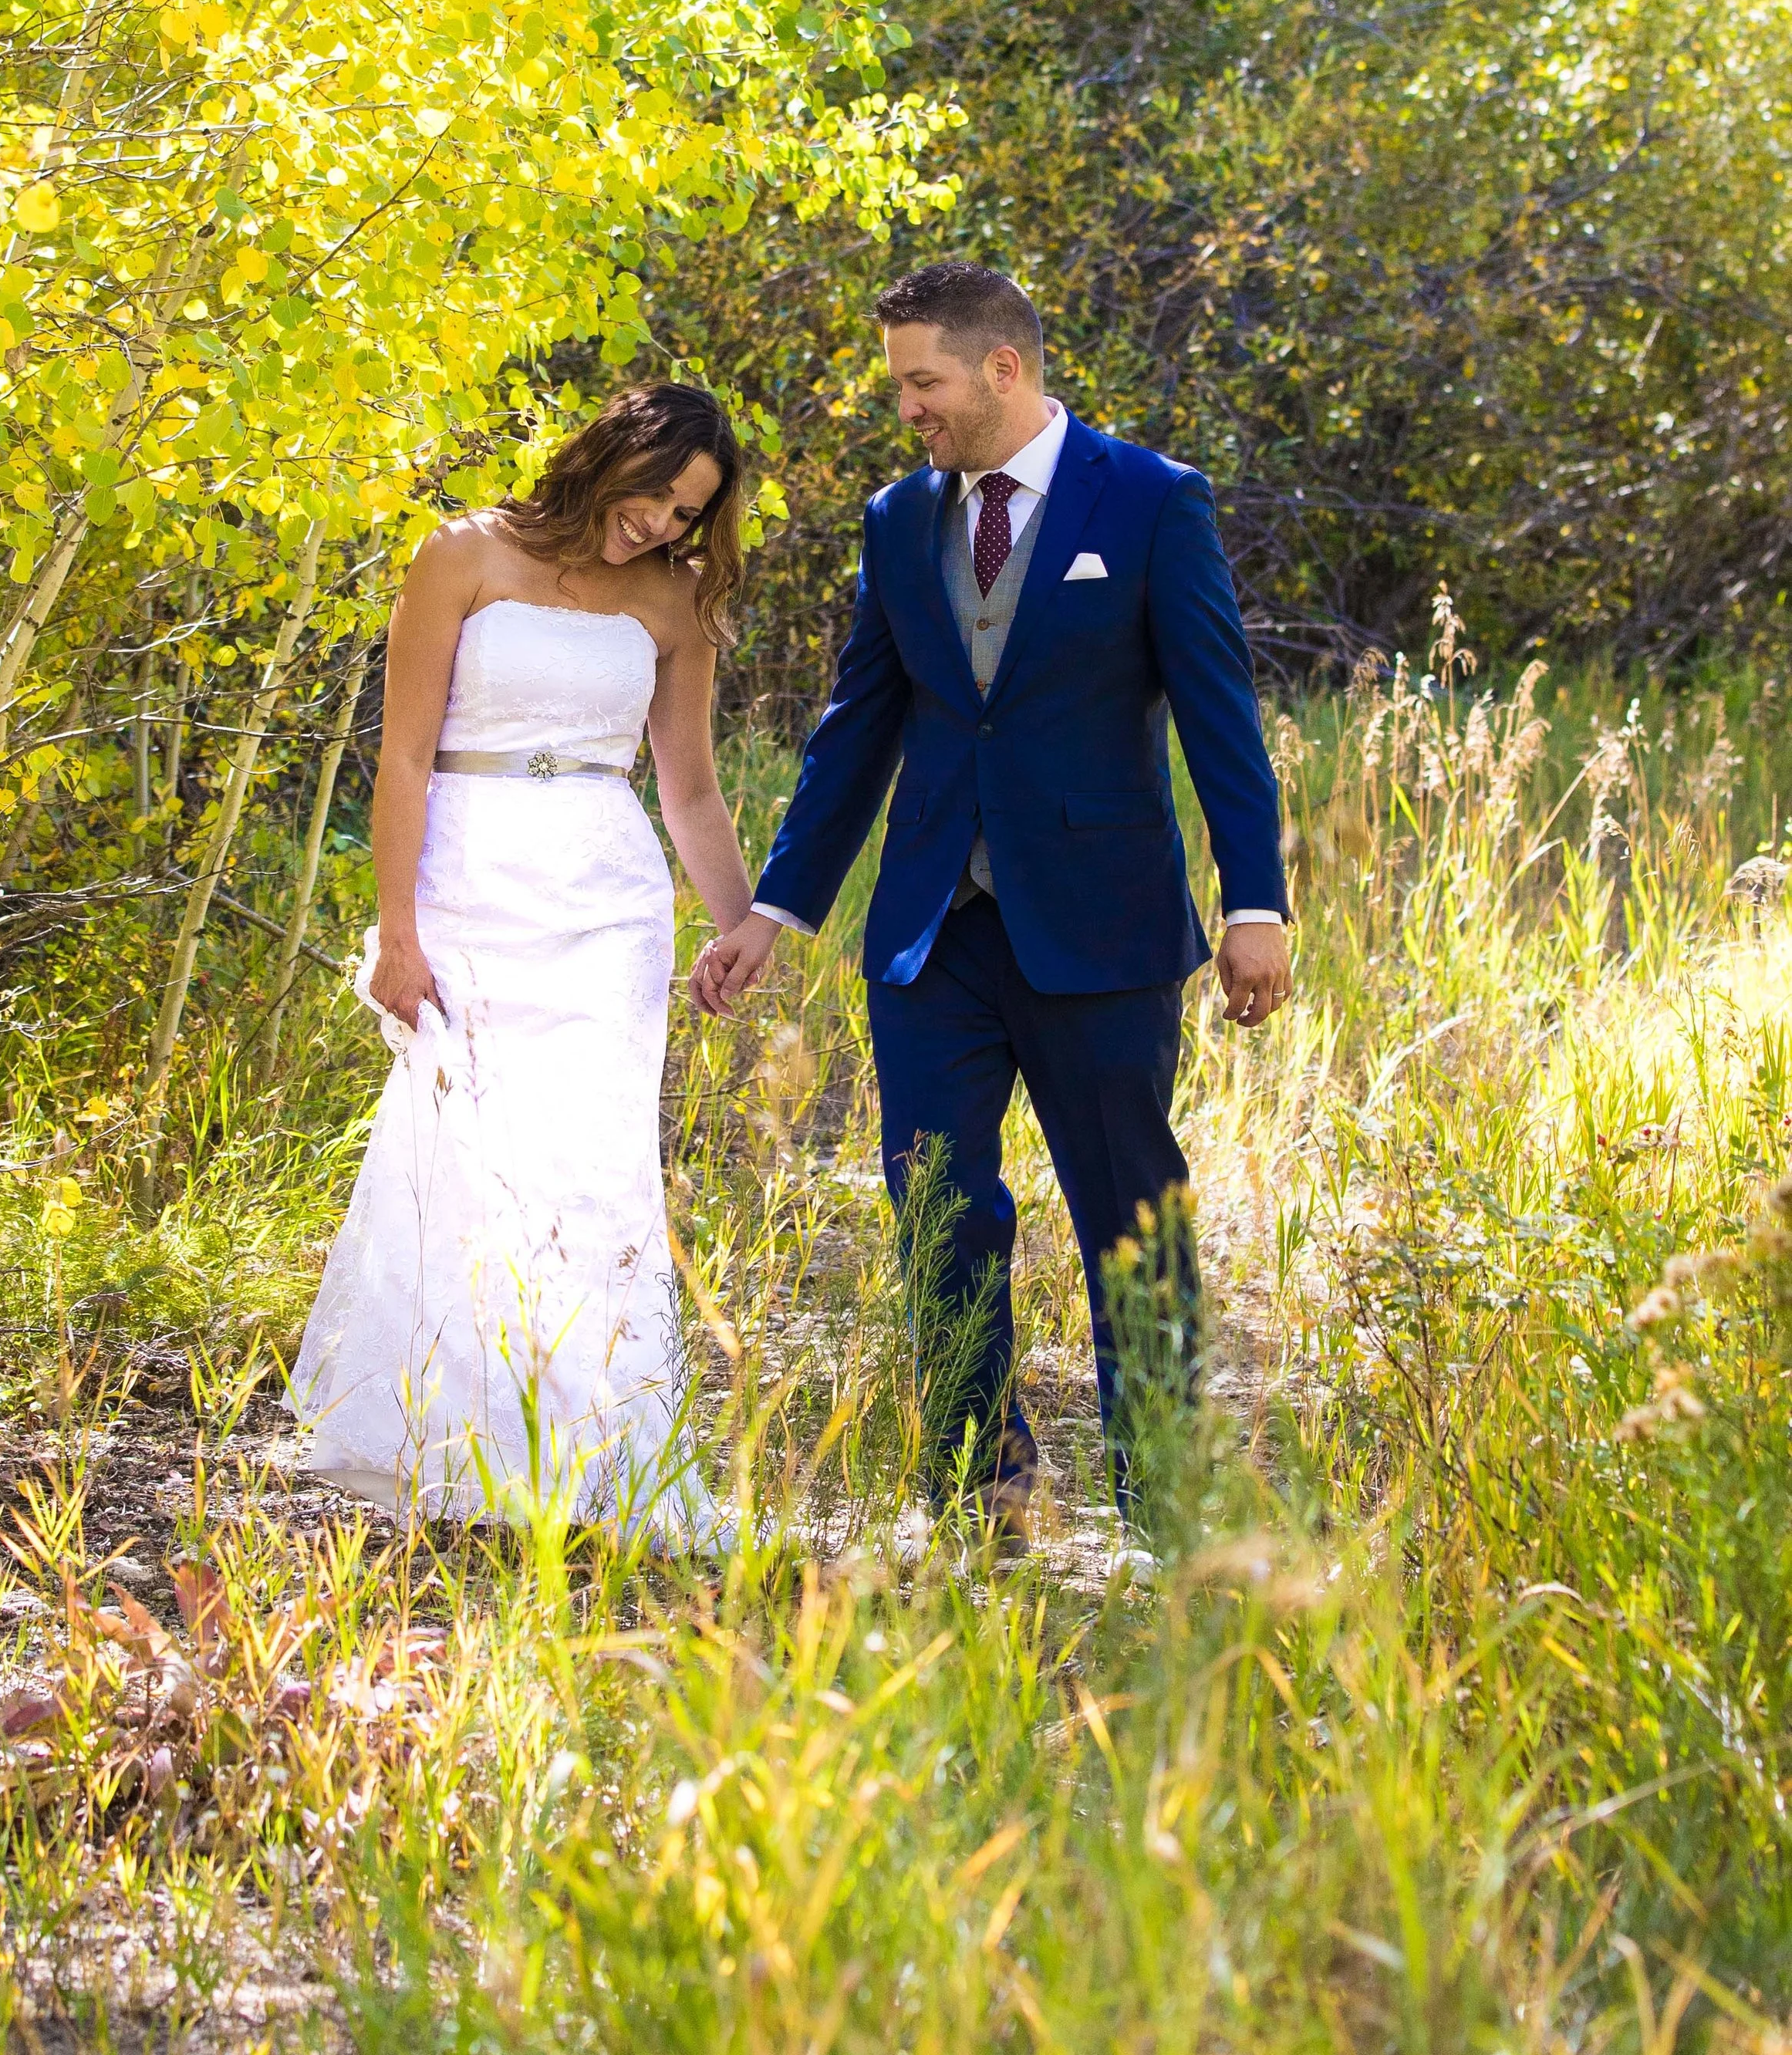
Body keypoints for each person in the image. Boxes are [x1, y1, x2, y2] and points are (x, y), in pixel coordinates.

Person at [694, 260, 1292, 1547]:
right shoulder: (899, 519)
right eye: (900, 382)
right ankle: (979, 1485)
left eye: (923, 381)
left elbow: (1217, 714)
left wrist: (1258, 900)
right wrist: (775, 908)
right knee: (936, 1207)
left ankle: (1162, 1495)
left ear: (1001, 369)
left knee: (1132, 1213)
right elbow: (856, 727)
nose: (906, 406)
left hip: (1101, 927)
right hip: (929, 932)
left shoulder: (1149, 503)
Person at [286, 380, 754, 1537]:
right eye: (657, 495)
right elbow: (400, 760)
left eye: (689, 515)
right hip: (467, 879)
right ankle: (445, 1435)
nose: (662, 526)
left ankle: (593, 1440)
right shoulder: (462, 555)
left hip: (606, 897)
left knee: (593, 1169)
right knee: (460, 1150)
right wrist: (397, 931)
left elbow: (687, 788)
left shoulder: (675, 600)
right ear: (611, 454)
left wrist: (742, 921)